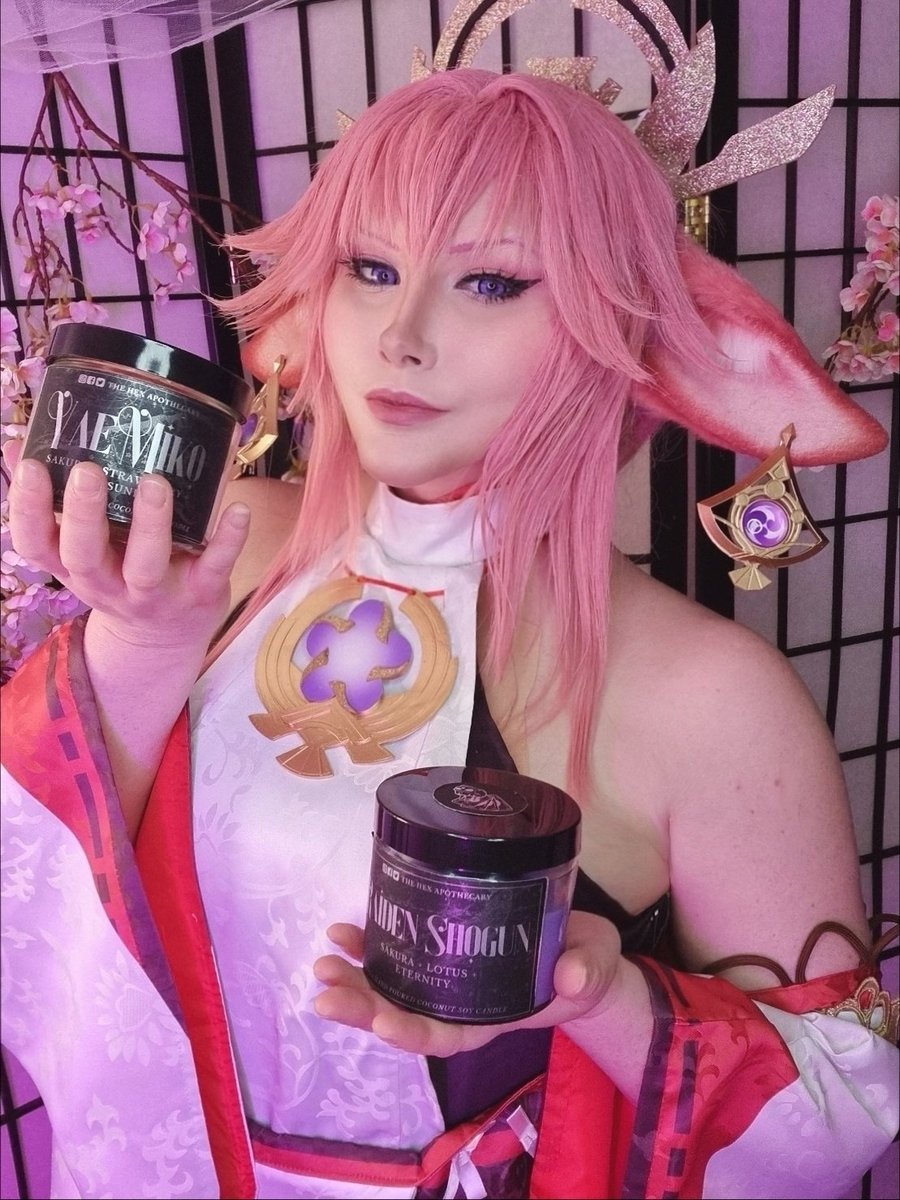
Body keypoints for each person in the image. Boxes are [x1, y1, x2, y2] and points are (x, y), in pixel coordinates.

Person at [1, 67, 897, 1200]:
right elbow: (26, 912)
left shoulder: (711, 699)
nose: (401, 336)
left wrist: (598, 995)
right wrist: (137, 650)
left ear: (624, 324)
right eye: (369, 270)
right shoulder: (225, 544)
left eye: (493, 282)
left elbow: (837, 1118)